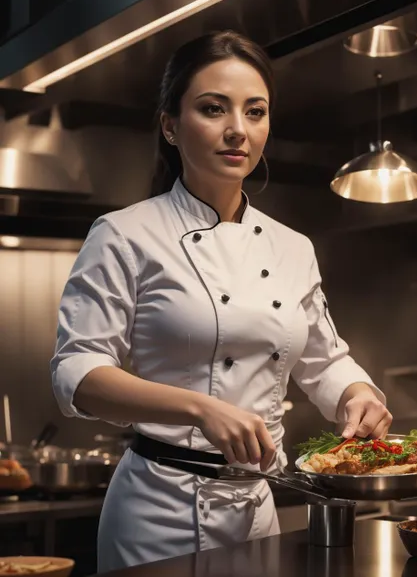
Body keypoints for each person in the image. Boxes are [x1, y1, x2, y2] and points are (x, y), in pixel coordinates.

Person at [50, 30, 392, 572]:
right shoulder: (124, 234)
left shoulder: (291, 247)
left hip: (258, 505)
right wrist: (200, 408)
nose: (238, 130)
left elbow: (325, 360)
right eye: (213, 109)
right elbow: (78, 372)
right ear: (170, 125)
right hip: (156, 512)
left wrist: (357, 392)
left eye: (255, 112)